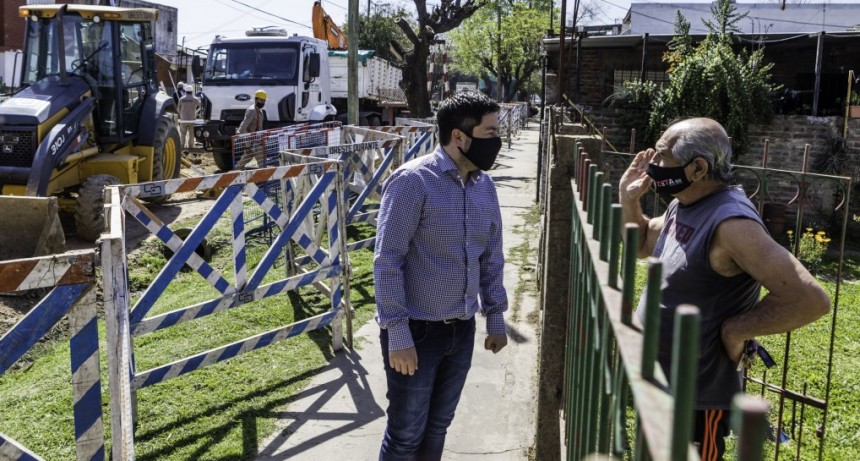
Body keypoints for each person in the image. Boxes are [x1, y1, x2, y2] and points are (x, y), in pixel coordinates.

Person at [619, 117, 830, 460]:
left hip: (697, 397)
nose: (653, 164)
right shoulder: (683, 204)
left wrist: (735, 331)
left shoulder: (731, 223)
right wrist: (629, 199)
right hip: (662, 381)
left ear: (698, 168)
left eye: (662, 156)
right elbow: (641, 243)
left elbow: (810, 299)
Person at [373, 91, 509, 461]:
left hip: (461, 330)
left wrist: (495, 317)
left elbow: (491, 258)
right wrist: (398, 334)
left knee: (438, 426)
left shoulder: (484, 187)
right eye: (490, 132)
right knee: (405, 435)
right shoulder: (412, 182)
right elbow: (387, 261)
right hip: (417, 332)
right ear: (459, 136)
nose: (497, 141)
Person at [234, 89, 267, 169]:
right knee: (262, 162)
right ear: (256, 99)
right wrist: (246, 143)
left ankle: (233, 173)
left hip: (255, 141)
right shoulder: (252, 110)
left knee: (244, 160)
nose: (262, 102)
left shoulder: (259, 110)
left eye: (264, 101)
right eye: (261, 100)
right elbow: (243, 126)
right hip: (253, 142)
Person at [177, 85, 200, 153]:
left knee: (183, 134)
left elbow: (178, 109)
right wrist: (196, 112)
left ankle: (182, 146)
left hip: (183, 120)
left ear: (185, 91)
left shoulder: (181, 99)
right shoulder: (195, 99)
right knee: (191, 134)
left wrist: (182, 114)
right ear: (192, 91)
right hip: (192, 120)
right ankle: (191, 147)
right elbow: (201, 106)